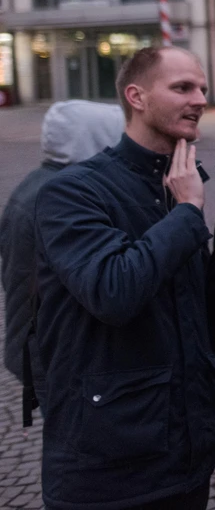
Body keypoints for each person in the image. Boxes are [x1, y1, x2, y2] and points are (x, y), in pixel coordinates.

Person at [33, 46, 215, 510]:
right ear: (137, 97)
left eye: (202, 88)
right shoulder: (73, 190)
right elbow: (112, 291)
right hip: (107, 465)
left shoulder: (174, 181)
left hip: (186, 452)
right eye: (183, 87)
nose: (200, 99)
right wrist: (187, 211)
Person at [1, 101, 124, 416]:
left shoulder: (35, 182)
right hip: (52, 352)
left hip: (32, 342)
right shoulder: (66, 194)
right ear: (97, 139)